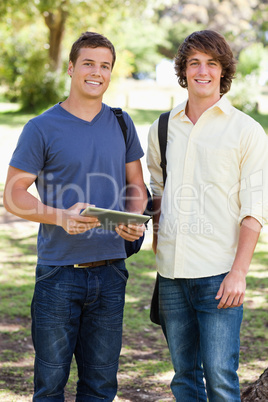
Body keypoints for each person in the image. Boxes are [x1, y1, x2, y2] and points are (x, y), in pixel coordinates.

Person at [3, 31, 147, 401]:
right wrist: (59, 217)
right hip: (58, 274)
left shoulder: (121, 122)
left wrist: (134, 216)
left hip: (112, 271)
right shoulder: (41, 127)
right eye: (88, 63)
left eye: (105, 66)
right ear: (71, 68)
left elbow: (136, 184)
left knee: (101, 386)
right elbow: (13, 195)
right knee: (50, 387)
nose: (96, 72)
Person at [147, 30, 268, 401]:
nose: (202, 71)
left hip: (220, 276)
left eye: (211, 63)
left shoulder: (246, 130)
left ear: (223, 71)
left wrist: (239, 273)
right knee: (184, 377)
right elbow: (157, 192)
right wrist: (146, 227)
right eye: (194, 62)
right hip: (170, 274)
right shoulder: (162, 127)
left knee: (219, 378)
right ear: (183, 70)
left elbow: (254, 209)